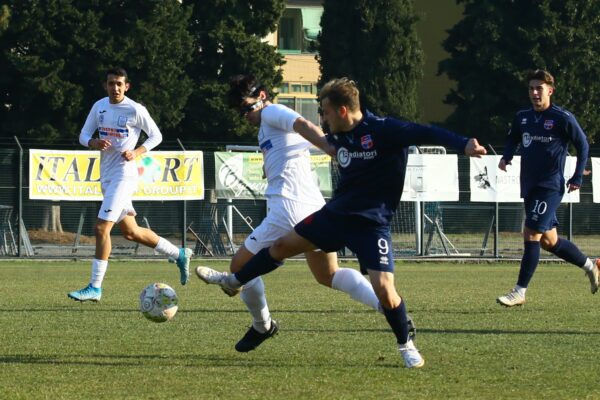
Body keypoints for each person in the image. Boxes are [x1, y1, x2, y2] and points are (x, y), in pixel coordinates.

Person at [197, 77, 487, 368]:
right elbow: (301, 137)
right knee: (290, 252)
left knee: (385, 288)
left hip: (371, 223)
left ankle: (405, 344)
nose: (321, 118)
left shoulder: (382, 130)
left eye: (324, 111)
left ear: (343, 111)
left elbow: (426, 132)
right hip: (335, 215)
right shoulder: (339, 136)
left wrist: (463, 144)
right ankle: (234, 281)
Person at [196, 75, 385, 353]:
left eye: (247, 108)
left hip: (288, 208)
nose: (244, 116)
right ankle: (387, 306)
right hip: (312, 207)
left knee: (239, 267)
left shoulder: (272, 111)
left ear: (262, 96)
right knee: (328, 275)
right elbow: (296, 142)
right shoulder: (265, 127)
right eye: (239, 112)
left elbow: (303, 124)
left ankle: (263, 325)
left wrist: (332, 149)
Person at [68, 67, 192, 302]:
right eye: (111, 83)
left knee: (101, 228)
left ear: (127, 86)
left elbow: (156, 135)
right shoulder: (99, 106)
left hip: (124, 175)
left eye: (119, 84)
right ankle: (179, 254)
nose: (115, 87)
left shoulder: (136, 109)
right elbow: (83, 135)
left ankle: (95, 287)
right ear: (105, 85)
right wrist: (93, 142)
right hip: (106, 175)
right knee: (131, 232)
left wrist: (137, 152)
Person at [496, 69, 598, 307]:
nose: (534, 93)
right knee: (549, 241)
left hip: (550, 186)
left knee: (531, 233)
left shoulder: (562, 117)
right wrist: (507, 156)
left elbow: (582, 145)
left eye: (539, 88)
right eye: (531, 88)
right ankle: (591, 266)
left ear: (550, 91)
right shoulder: (522, 116)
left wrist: (577, 177)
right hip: (530, 186)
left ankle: (519, 291)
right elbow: (513, 137)